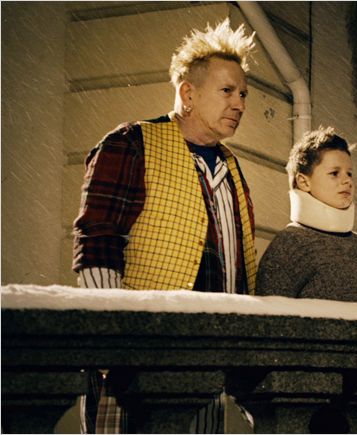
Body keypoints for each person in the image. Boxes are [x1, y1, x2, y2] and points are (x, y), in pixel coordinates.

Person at [72, 19, 257, 433]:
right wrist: (112, 338)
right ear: (188, 94)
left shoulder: (232, 167)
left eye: (243, 93)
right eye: (227, 91)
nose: (239, 104)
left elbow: (241, 270)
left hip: (210, 362)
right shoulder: (131, 143)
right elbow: (98, 241)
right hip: (134, 363)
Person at [256, 126, 357, 303]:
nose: (347, 180)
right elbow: (269, 317)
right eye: (334, 173)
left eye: (349, 173)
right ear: (303, 182)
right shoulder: (289, 245)